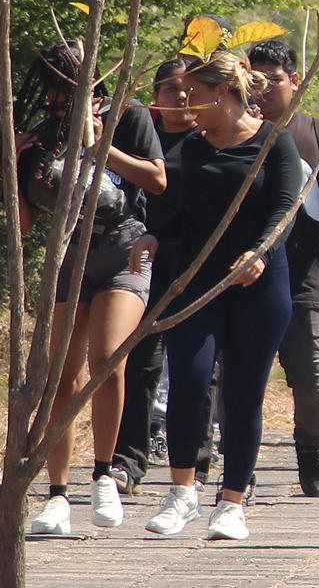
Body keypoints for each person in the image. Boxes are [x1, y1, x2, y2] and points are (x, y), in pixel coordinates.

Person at [142, 50, 305, 541]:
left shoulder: (275, 143)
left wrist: (259, 251)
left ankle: (233, 501)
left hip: (259, 283)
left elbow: (285, 208)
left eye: (195, 93)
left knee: (242, 393)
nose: (186, 101)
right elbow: (172, 209)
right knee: (189, 382)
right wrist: (153, 236)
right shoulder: (191, 148)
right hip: (196, 282)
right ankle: (181, 492)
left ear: (224, 94)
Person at [18, 43, 167, 538]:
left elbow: (158, 180)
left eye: (66, 85)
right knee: (62, 376)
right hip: (70, 253)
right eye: (52, 88)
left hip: (123, 248)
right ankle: (57, 493)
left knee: (109, 361)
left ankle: (105, 473)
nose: (58, 97)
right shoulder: (43, 133)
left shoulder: (131, 117)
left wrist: (104, 147)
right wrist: (12, 168)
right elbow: (24, 222)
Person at [246, 39, 319, 498]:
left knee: (312, 377)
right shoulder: (235, 130)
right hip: (246, 277)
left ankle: (310, 448)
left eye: (274, 80)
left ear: (295, 81)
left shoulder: (318, 132)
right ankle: (240, 467)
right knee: (241, 376)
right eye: (255, 80)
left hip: (304, 276)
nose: (264, 90)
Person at [112, 57, 194, 494]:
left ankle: (197, 453)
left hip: (197, 262)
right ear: (156, 97)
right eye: (171, 90)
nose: (182, 97)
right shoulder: (143, 138)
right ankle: (129, 459)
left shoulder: (208, 141)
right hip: (145, 261)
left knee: (198, 364)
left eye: (188, 89)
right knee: (142, 361)